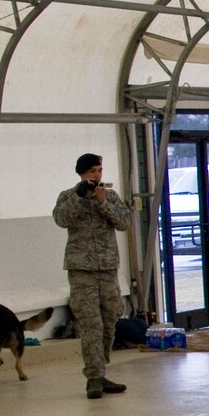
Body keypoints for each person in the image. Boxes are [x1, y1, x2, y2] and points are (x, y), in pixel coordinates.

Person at [53, 152, 130, 399]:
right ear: (81, 174)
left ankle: (101, 368)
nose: (97, 175)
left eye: (99, 171)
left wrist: (102, 203)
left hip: (107, 269)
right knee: (90, 325)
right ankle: (94, 378)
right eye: (92, 172)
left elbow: (124, 223)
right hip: (82, 271)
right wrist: (79, 195)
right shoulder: (68, 197)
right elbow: (61, 219)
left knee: (109, 320)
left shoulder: (110, 196)